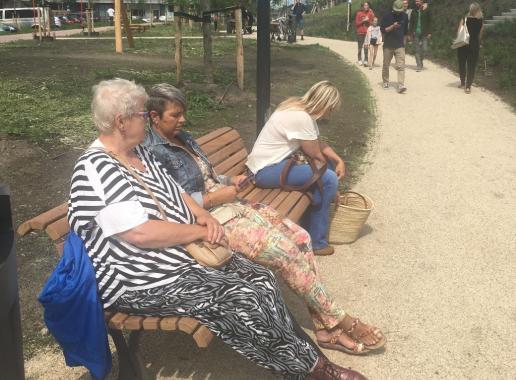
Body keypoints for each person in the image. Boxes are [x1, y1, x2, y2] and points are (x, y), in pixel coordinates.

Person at [69, 78, 367, 380]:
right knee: (241, 296)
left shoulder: (137, 153)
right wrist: (198, 232)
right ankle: (311, 371)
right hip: (140, 279)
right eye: (142, 115)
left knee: (261, 278)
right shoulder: (96, 169)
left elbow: (177, 192)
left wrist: (203, 216)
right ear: (121, 121)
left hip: (177, 258)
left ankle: (315, 364)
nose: (147, 121)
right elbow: (141, 233)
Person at [144, 83, 386, 356]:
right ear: (154, 117)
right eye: (175, 115)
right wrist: (214, 198)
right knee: (285, 254)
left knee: (301, 238)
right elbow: (172, 203)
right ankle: (339, 319)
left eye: (182, 113)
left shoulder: (184, 138)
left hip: (232, 203)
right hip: (210, 221)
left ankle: (323, 328)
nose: (182, 120)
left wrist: (228, 180)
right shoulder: (153, 153)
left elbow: (207, 175)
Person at [247, 81, 343, 257]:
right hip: (264, 171)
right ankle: (318, 243)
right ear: (325, 104)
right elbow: (315, 154)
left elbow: (318, 143)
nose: (330, 114)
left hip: (270, 166)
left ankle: (308, 230)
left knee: (325, 176)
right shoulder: (301, 117)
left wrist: (338, 160)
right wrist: (334, 182)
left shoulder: (298, 108)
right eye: (331, 109)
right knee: (328, 179)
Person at [380, 0, 410, 93]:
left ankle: (401, 85)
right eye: (397, 10)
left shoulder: (405, 16)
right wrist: (392, 26)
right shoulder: (386, 16)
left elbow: (405, 31)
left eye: (400, 10)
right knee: (386, 65)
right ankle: (385, 81)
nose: (398, 12)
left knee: (401, 66)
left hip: (400, 45)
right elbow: (383, 30)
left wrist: (404, 43)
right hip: (388, 45)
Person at [457, 3, 484, 94]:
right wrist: (478, 43)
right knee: (471, 66)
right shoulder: (480, 21)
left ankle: (462, 82)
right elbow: (480, 35)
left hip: (463, 44)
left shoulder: (464, 19)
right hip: (474, 45)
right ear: (478, 10)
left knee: (462, 63)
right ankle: (468, 86)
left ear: (470, 9)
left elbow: (459, 31)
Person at [409, 0, 432, 72]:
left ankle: (421, 60)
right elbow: (411, 23)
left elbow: (430, 21)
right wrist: (409, 33)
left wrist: (430, 32)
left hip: (424, 33)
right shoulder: (414, 11)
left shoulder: (427, 10)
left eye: (418, 1)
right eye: (416, 1)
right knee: (417, 50)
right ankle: (418, 65)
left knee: (424, 49)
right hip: (415, 33)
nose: (417, 3)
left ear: (422, 1)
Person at [355, 2, 375, 66]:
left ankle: (366, 60)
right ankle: (359, 59)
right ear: (362, 6)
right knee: (360, 47)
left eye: (367, 5)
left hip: (367, 33)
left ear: (369, 6)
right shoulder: (359, 13)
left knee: (366, 47)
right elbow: (357, 24)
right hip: (360, 32)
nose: (366, 6)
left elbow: (373, 23)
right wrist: (363, 21)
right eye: (365, 5)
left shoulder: (370, 13)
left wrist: (368, 21)